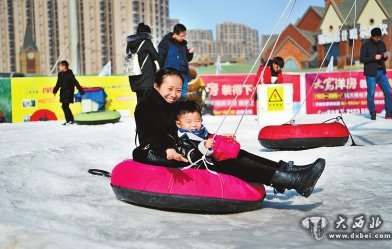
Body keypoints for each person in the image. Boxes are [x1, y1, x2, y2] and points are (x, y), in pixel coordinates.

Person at [133, 68, 325, 198]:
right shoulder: (146, 108)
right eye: (169, 89)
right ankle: (292, 181)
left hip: (182, 148)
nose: (174, 94)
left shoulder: (172, 105)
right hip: (160, 154)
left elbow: (188, 128)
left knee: (230, 151)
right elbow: (154, 133)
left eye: (178, 89)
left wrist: (214, 137)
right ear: (156, 86)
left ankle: (288, 171)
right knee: (225, 160)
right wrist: (167, 149)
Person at [360, 27, 392, 120]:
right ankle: (372, 113)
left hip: (381, 72)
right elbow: (362, 59)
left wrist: (385, 57)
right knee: (371, 94)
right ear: (372, 36)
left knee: (388, 92)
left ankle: (389, 113)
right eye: (376, 37)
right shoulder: (365, 45)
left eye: (379, 37)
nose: (378, 39)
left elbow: (383, 58)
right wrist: (374, 57)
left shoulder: (382, 44)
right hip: (371, 73)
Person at [126, 23, 160, 104]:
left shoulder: (129, 44)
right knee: (148, 103)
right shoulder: (146, 42)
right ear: (147, 33)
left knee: (139, 102)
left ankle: (139, 116)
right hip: (146, 78)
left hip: (134, 79)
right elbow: (156, 56)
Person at [158, 23, 194, 98]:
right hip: (171, 75)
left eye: (184, 36)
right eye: (182, 36)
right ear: (175, 34)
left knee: (183, 96)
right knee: (172, 96)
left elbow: (187, 59)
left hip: (183, 75)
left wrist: (190, 53)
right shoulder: (165, 42)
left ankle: (181, 109)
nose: (183, 38)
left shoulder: (183, 44)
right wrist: (163, 72)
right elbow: (160, 58)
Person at [53, 60, 84, 125]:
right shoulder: (60, 74)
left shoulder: (70, 74)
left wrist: (81, 90)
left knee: (64, 106)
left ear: (64, 66)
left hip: (69, 93)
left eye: (60, 66)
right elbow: (58, 83)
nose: (59, 67)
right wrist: (55, 90)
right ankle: (70, 120)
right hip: (63, 93)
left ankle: (69, 120)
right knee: (65, 106)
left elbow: (75, 82)